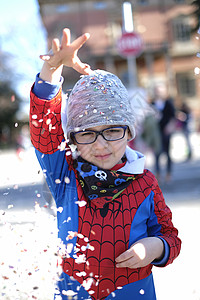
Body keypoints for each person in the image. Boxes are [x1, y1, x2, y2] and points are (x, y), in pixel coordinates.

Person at [29, 28, 181, 300]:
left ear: (129, 132)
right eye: (87, 133)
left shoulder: (145, 182)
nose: (100, 145)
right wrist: (50, 70)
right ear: (73, 138)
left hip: (133, 290)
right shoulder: (66, 175)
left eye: (112, 131)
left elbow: (170, 236)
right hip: (74, 291)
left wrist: (154, 246)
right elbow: (45, 131)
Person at [152, 85, 176, 182]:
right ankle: (157, 174)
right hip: (156, 133)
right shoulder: (152, 104)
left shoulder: (168, 103)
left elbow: (173, 117)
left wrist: (170, 127)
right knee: (157, 154)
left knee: (167, 153)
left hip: (166, 132)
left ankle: (168, 173)